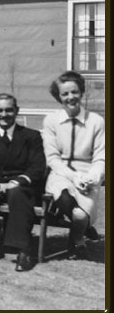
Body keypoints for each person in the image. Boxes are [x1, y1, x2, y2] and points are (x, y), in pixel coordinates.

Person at [0, 93, 46, 272]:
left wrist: (18, 181)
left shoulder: (31, 136)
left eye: (8, 110)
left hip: (23, 187)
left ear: (16, 111)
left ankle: (23, 250)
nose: (4, 114)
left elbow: (38, 167)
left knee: (18, 193)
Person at [42, 71, 105, 260]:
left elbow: (101, 157)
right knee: (65, 198)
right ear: (59, 97)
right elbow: (53, 159)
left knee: (79, 215)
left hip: (88, 174)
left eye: (74, 92)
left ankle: (78, 233)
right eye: (65, 94)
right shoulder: (51, 120)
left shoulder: (96, 122)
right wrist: (74, 177)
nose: (70, 97)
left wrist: (92, 177)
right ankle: (81, 236)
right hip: (60, 173)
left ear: (82, 92)